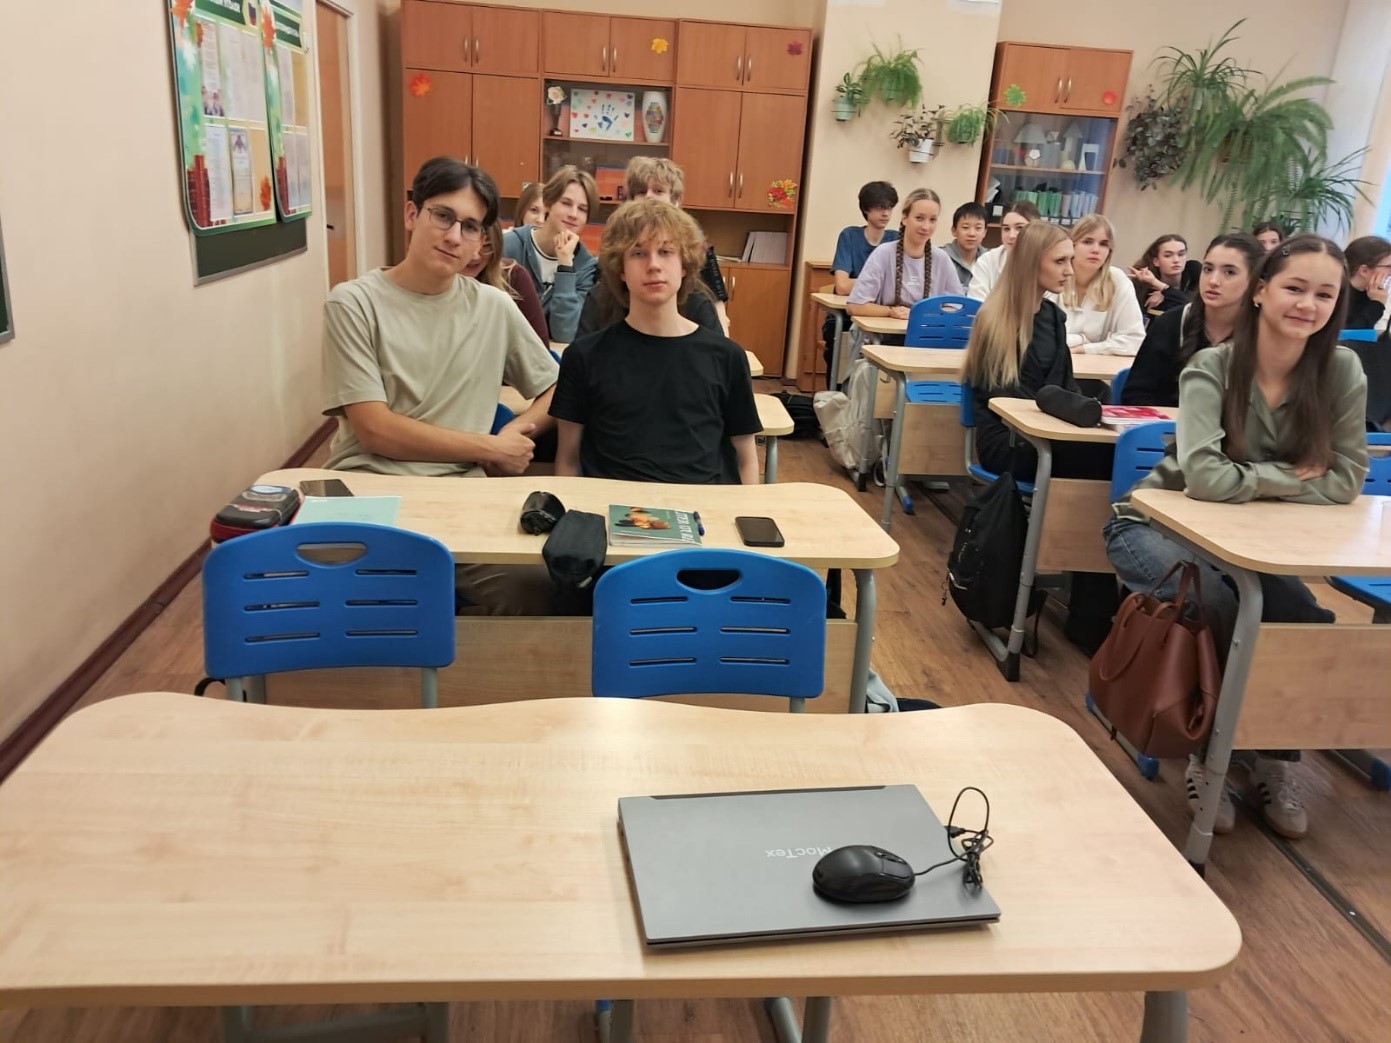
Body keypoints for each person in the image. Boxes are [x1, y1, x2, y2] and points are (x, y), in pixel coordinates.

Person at [1104, 234, 1368, 839]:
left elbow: (1347, 479)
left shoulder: (1341, 370)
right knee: (1217, 607)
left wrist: (1246, 478)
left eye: (1324, 294)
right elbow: (1204, 478)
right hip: (1152, 525)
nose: (1307, 304)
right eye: (1294, 288)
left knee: (1301, 616)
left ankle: (1273, 755)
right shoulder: (1213, 367)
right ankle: (1211, 756)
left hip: (1248, 540)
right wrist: (1292, 476)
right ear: (1261, 292)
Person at [322, 156, 560, 613]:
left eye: (470, 227)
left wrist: (516, 430)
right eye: (443, 216)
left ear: (481, 241)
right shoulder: (353, 304)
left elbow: (556, 388)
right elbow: (375, 430)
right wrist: (490, 447)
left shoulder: (494, 307)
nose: (454, 236)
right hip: (368, 488)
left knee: (537, 587)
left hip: (461, 495)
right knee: (333, 594)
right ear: (412, 214)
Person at [961, 219, 1117, 649]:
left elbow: (1063, 386)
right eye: (1060, 261)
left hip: (1047, 437)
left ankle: (1089, 598)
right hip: (1006, 439)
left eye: (1069, 260)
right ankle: (1088, 608)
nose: (1070, 269)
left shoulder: (1052, 316)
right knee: (1095, 467)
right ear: (1033, 263)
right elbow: (1002, 399)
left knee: (1106, 464)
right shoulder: (995, 319)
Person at [550, 199, 762, 485]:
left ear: (684, 264)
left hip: (702, 506)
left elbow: (746, 459)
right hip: (613, 505)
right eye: (638, 253)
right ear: (621, 269)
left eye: (665, 252)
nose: (653, 265)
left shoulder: (727, 357)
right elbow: (568, 460)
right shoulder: (584, 356)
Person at [1122, 234, 1266, 406]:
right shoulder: (1172, 323)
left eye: (1229, 272)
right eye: (1208, 269)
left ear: (1257, 286)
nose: (1213, 281)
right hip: (1170, 422)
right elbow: (1135, 396)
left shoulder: (1267, 334)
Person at [623, 156, 729, 333]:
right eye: (641, 191)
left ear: (676, 200)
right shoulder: (620, 244)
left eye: (658, 191)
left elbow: (717, 305)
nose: (649, 196)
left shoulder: (699, 247)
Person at [845, 187, 963, 341]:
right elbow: (855, 305)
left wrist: (918, 314)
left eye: (932, 220)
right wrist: (891, 312)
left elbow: (957, 306)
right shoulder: (883, 253)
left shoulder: (942, 259)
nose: (926, 226)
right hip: (883, 341)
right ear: (905, 218)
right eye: (919, 218)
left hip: (928, 340)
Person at [502, 165, 599, 343]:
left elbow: (564, 333)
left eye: (582, 209)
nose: (573, 214)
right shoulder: (509, 246)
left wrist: (565, 266)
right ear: (548, 202)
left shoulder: (586, 266)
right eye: (566, 203)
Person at [1050, 214, 1145, 357]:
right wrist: (1081, 339)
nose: (1096, 250)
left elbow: (1135, 340)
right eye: (1087, 242)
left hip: (1091, 366)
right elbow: (1040, 338)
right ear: (1072, 245)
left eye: (1103, 244)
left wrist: (1086, 349)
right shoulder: (1054, 275)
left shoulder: (1117, 279)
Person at [463, 221, 548, 344]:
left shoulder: (513, 277)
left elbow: (539, 347)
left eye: (487, 246)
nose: (475, 257)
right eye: (468, 244)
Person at [967, 201, 1041, 302]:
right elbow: (977, 304)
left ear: (1037, 229)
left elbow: (1050, 307)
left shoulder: (1047, 261)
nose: (1011, 235)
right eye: (1006, 229)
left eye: (1019, 228)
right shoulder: (987, 261)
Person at [1128, 234, 1201, 315]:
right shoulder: (1148, 289)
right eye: (1168, 256)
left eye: (1181, 254)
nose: (1176, 260)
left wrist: (1163, 289)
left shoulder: (1194, 270)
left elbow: (1194, 306)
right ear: (1156, 261)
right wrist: (1167, 293)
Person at [1343, 235, 1391, 330]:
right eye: (1388, 267)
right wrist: (1377, 304)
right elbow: (1349, 334)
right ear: (1364, 271)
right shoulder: (1337, 295)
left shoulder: (1372, 293)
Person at [943, 202, 989, 291]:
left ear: (984, 232)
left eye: (978, 228)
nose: (972, 234)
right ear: (954, 231)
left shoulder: (990, 259)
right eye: (965, 227)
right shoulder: (941, 257)